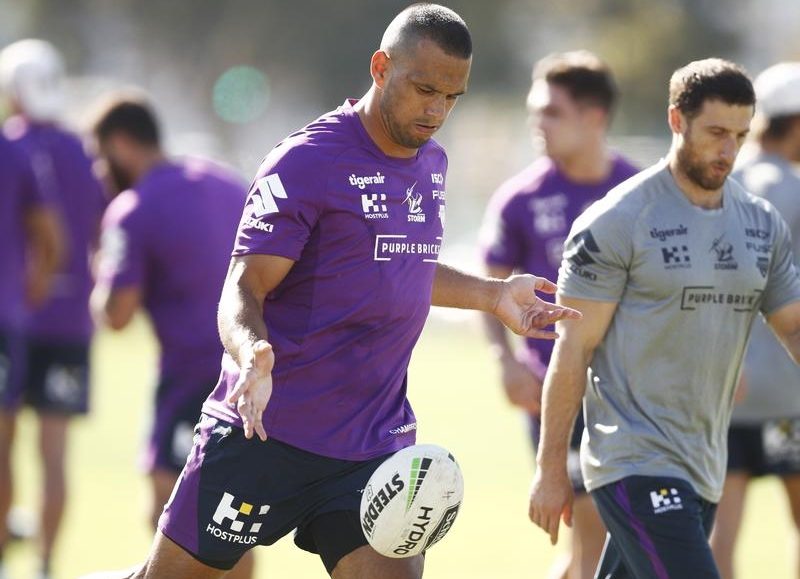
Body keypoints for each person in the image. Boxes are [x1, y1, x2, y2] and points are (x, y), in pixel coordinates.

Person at [88, 5, 579, 579]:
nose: (437, 111)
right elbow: (244, 284)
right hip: (265, 433)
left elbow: (399, 264)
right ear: (380, 68)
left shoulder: (432, 163)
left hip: (372, 446)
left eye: (452, 97)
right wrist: (250, 351)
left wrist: (492, 295)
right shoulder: (308, 161)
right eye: (425, 90)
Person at [528, 57, 800, 578]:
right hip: (632, 461)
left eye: (740, 136)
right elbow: (574, 347)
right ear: (677, 120)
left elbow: (793, 326)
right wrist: (550, 468)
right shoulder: (617, 221)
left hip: (704, 465)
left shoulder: (760, 223)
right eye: (716, 133)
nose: (729, 151)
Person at [480, 50, 637, 579]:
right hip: (557, 394)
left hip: (632, 395)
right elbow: (488, 287)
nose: (538, 124)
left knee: (596, 550)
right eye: (534, 112)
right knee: (591, 538)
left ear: (594, 117)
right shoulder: (519, 200)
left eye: (552, 112)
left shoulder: (639, 193)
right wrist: (504, 360)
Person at [88, 96, 254, 578]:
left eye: (101, 157)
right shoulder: (225, 182)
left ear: (121, 145)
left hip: (192, 378)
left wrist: (100, 273)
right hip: (253, 367)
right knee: (233, 516)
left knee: (175, 510)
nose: (100, 171)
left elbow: (116, 315)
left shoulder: (133, 208)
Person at [0, 38, 102, 579]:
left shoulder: (12, 145)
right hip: (70, 321)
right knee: (54, 454)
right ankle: (44, 563)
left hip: (15, 316)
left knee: (4, 447)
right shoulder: (81, 150)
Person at [709, 62, 800, 579]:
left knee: (723, 529)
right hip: (790, 392)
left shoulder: (723, 183)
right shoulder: (796, 188)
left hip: (727, 387)